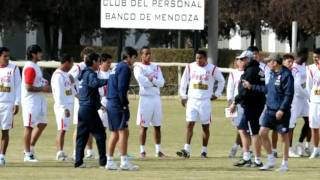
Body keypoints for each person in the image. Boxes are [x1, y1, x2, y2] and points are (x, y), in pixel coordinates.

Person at [243, 54, 294, 172]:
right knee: (262, 132)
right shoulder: (272, 73)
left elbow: (288, 95)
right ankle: (271, 160)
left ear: (275, 63)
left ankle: (284, 164)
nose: (267, 64)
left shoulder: (287, 76)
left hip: (281, 112)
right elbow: (267, 89)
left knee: (283, 137)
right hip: (269, 110)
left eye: (269, 62)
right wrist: (252, 87)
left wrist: (282, 109)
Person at [177, 50, 225, 158]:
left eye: (200, 58)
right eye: (196, 58)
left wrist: (217, 94)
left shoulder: (212, 69)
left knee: (205, 126)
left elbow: (222, 81)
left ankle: (204, 151)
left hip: (205, 101)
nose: (198, 60)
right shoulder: (190, 67)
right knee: (189, 124)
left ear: (205, 58)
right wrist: (183, 96)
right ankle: (186, 150)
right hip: (192, 100)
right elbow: (184, 81)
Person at [230, 50, 265, 168]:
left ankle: (257, 160)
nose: (240, 61)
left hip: (252, 104)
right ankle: (246, 157)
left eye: (242, 59)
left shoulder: (250, 71)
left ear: (248, 59)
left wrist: (235, 102)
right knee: (241, 128)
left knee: (254, 132)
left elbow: (243, 90)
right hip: (255, 104)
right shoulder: (258, 69)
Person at [106, 47, 139, 171]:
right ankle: (124, 161)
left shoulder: (116, 67)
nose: (134, 61)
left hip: (111, 102)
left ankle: (109, 161)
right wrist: (124, 104)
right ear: (129, 56)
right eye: (134, 58)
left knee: (115, 132)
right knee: (123, 131)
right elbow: (121, 88)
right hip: (117, 103)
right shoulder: (125, 68)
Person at [74, 53, 108, 168]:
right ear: (93, 62)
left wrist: (99, 105)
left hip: (82, 108)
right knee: (100, 135)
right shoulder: (90, 73)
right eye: (98, 61)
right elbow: (95, 84)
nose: (99, 64)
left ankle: (78, 162)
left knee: (82, 136)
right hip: (89, 109)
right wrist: (109, 80)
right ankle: (103, 162)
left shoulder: (83, 73)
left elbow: (89, 91)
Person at [134, 46, 166, 159]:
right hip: (145, 98)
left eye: (149, 53)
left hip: (156, 98)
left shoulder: (156, 67)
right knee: (144, 126)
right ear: (141, 55)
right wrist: (153, 83)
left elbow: (162, 83)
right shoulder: (138, 67)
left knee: (157, 126)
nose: (148, 55)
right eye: (146, 54)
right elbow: (141, 81)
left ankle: (158, 151)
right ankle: (142, 151)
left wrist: (153, 81)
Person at [21, 45, 51, 162]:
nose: (41, 55)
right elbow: (28, 87)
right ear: (33, 54)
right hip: (31, 101)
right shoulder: (30, 67)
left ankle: (30, 148)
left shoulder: (36, 66)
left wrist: (44, 83)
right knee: (28, 126)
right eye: (39, 53)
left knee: (43, 123)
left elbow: (36, 82)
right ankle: (27, 154)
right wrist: (43, 88)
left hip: (39, 100)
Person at [69, 47, 96, 159]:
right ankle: (76, 152)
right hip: (80, 100)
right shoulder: (79, 66)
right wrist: (75, 93)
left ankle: (89, 151)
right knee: (80, 127)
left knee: (89, 126)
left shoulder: (92, 67)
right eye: (87, 55)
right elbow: (69, 77)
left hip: (89, 100)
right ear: (84, 56)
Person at [51, 54, 75, 161]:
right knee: (61, 129)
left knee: (64, 129)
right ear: (66, 62)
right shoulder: (58, 75)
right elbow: (58, 94)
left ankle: (61, 152)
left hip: (69, 105)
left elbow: (71, 90)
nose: (72, 64)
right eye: (71, 62)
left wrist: (73, 81)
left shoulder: (66, 74)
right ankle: (59, 153)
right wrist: (64, 107)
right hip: (62, 107)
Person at [0, 47, 21, 166]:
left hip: (7, 103)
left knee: (5, 131)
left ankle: (2, 156)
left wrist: (17, 103)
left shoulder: (13, 68)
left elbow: (18, 86)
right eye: (5, 56)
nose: (7, 58)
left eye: (8, 56)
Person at [226, 56, 245, 158]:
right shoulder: (233, 73)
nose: (240, 62)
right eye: (238, 60)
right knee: (239, 127)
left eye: (242, 60)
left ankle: (236, 147)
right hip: (235, 103)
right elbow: (230, 88)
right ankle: (244, 149)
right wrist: (230, 102)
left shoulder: (248, 72)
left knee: (243, 127)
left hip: (245, 102)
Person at [306, 48, 320, 159]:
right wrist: (309, 99)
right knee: (314, 127)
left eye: (318, 57)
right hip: (314, 101)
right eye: (314, 57)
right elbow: (309, 86)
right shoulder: (310, 68)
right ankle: (315, 149)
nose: (316, 59)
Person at [98, 53, 113, 130]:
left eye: (110, 62)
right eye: (108, 62)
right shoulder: (96, 73)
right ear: (101, 62)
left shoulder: (112, 73)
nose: (109, 64)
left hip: (109, 102)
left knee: (104, 128)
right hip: (99, 103)